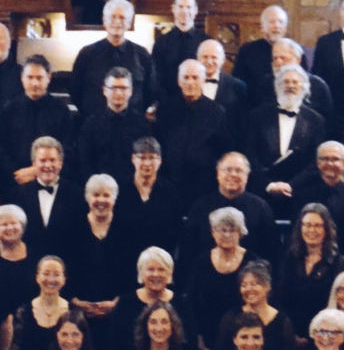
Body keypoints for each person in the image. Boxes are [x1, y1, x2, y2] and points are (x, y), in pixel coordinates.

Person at [60, 175, 137, 336]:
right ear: (87, 198)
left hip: (119, 313)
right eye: (96, 195)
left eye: (106, 195)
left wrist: (117, 302)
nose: (101, 200)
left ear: (114, 199)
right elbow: (63, 267)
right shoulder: (70, 226)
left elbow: (134, 271)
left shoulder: (129, 228)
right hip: (77, 314)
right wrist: (75, 302)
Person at [0, 59, 80, 199]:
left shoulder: (61, 110)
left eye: (39, 78)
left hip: (50, 180)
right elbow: (1, 148)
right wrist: (18, 173)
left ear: (49, 78)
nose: (35, 83)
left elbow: (67, 148)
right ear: (22, 78)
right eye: (30, 77)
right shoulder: (9, 109)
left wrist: (36, 171)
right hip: (15, 182)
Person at [183, 207, 261, 347]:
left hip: (244, 337)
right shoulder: (201, 262)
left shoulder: (252, 262)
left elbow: (260, 302)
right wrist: (197, 338)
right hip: (207, 336)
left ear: (240, 233)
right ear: (213, 233)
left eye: (232, 230)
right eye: (222, 230)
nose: (227, 235)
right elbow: (191, 302)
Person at [151, 60, 230, 199]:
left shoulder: (217, 112)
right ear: (178, 80)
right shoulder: (165, 109)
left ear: (203, 80)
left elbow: (222, 150)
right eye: (185, 77)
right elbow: (158, 143)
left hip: (204, 185)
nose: (190, 82)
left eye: (195, 77)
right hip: (168, 182)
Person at [182, 152, 280, 261]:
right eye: (228, 170)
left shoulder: (261, 209)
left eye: (239, 171)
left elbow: (272, 252)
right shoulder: (200, 208)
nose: (233, 174)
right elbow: (188, 251)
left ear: (247, 176)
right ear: (218, 174)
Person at [71, 0, 153, 115]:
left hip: (132, 125)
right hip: (94, 125)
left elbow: (150, 92)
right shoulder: (87, 54)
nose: (117, 22)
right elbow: (75, 90)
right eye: (113, 17)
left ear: (129, 23)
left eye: (122, 17)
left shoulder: (142, 55)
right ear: (104, 20)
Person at [112, 247, 195, 350]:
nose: (156, 274)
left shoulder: (182, 303)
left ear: (169, 273)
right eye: (150, 269)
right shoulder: (125, 303)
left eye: (161, 269)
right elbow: (115, 346)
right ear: (141, 273)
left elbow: (191, 345)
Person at [277, 204, 344, 335]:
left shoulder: (338, 262)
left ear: (326, 229)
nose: (311, 230)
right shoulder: (290, 258)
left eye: (317, 226)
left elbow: (337, 304)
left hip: (324, 332)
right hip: (291, 332)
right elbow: (281, 297)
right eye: (307, 225)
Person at [74, 69, 154, 184]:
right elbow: (84, 161)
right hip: (99, 189)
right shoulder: (91, 124)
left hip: (132, 189)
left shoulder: (142, 125)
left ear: (131, 91)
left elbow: (146, 161)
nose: (118, 93)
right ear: (105, 90)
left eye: (123, 88)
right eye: (113, 88)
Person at [215, 261, 295, 350]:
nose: (248, 289)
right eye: (244, 285)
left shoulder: (282, 322)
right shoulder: (231, 318)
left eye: (254, 284)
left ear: (267, 286)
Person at [4, 255, 73, 350]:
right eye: (46, 273)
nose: (51, 279)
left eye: (56, 274)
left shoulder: (73, 313)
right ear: (37, 277)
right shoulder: (23, 312)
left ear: (64, 279)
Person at [115, 138, 185, 256]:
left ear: (160, 161)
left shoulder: (171, 192)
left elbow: (176, 231)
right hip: (124, 258)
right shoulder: (119, 190)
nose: (147, 163)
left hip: (159, 261)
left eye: (152, 157)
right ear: (133, 159)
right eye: (142, 157)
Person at [13, 137, 82, 255]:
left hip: (66, 264)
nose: (48, 165)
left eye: (52, 160)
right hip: (31, 265)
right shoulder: (19, 194)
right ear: (34, 164)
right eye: (43, 160)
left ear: (60, 163)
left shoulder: (76, 193)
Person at [289, 142, 344, 245]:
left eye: (335, 159)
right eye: (324, 159)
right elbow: (296, 235)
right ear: (318, 164)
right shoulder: (302, 196)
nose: (329, 164)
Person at [234, 5, 306, 103]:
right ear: (262, 27)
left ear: (285, 28)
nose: (276, 26)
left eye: (280, 22)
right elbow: (239, 85)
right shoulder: (247, 51)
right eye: (272, 22)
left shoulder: (296, 51)